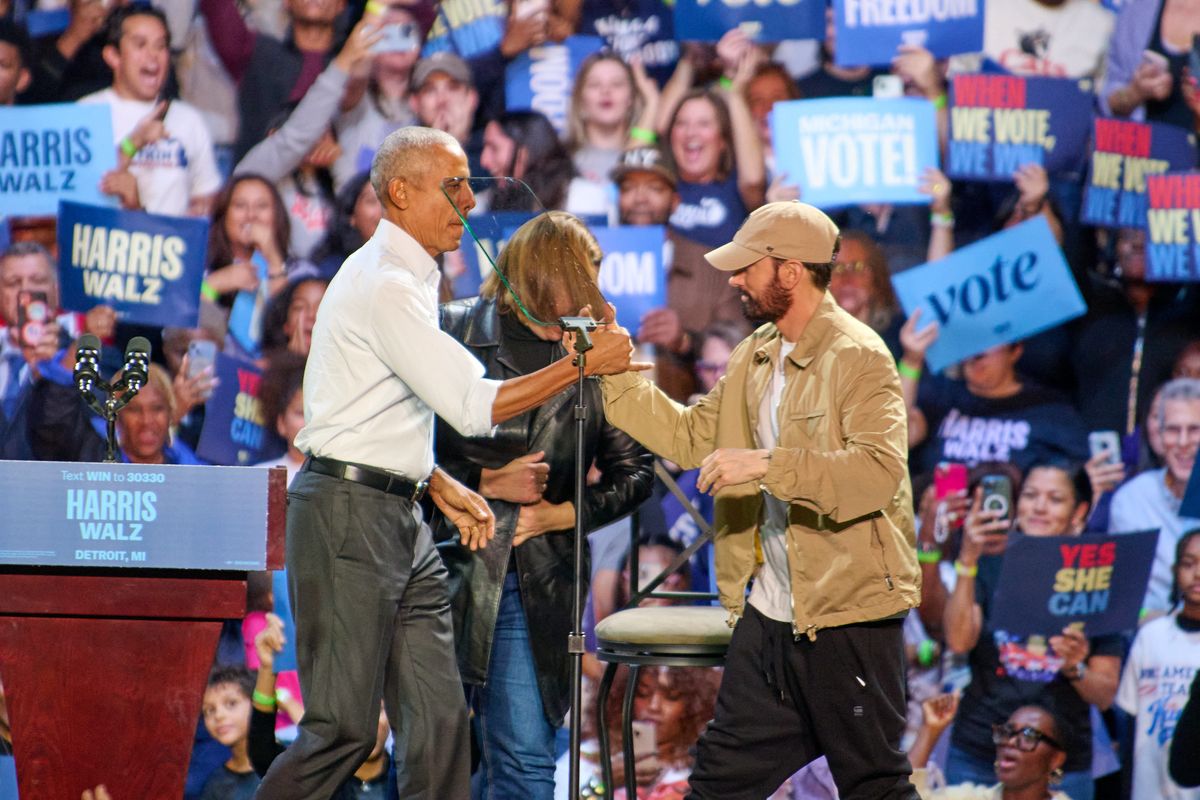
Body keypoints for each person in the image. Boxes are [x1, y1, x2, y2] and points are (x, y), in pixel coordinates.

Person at [252, 126, 640, 797]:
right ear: (400, 193)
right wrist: (580, 364)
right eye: (452, 184)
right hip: (348, 518)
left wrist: (437, 483)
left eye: (467, 183)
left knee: (438, 730)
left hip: (402, 518)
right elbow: (467, 404)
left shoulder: (410, 281)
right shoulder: (384, 284)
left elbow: (369, 411)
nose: (467, 199)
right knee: (342, 731)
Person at [599, 201, 922, 799]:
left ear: (791, 272)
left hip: (847, 617)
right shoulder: (755, 353)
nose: (734, 279)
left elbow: (877, 474)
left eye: (748, 266)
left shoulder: (860, 356)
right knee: (719, 784)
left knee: (874, 785)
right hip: (771, 615)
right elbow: (692, 438)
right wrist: (612, 378)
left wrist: (767, 465)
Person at [434, 211, 654, 799]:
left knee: (526, 761)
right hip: (439, 565)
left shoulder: (593, 353)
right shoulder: (449, 329)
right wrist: (484, 480)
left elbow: (637, 472)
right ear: (541, 272)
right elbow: (399, 449)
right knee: (436, 764)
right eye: (585, 270)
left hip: (533, 581)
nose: (594, 285)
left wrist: (560, 515)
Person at [940, 463, 1121, 800]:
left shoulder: (1100, 576)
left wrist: (1074, 667)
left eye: (1055, 499)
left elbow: (1105, 693)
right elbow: (958, 639)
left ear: (1079, 511)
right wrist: (968, 558)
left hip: (1060, 762)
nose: (1039, 507)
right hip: (981, 750)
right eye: (1030, 495)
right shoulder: (990, 562)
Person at [79, 5, 221, 217]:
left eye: (160, 46)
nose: (153, 56)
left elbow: (206, 200)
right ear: (113, 56)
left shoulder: (189, 120)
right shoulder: (86, 113)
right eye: (140, 45)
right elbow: (84, 194)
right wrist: (133, 142)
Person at [1117, 528, 1200, 800]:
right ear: (1175, 570)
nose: (1197, 573)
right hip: (1148, 788)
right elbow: (1131, 719)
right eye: (1189, 564)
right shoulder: (1151, 636)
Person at [1109, 378, 1200, 614]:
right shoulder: (1132, 501)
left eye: (1194, 430)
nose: (1182, 442)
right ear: (1158, 435)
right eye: (1172, 430)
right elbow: (1122, 600)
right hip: (1152, 635)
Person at [909, 697, 1072, 800]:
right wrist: (929, 731)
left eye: (1028, 735)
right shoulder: (972, 797)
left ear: (1055, 759)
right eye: (1007, 732)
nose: (1010, 742)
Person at [199, 665, 259, 799]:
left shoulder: (285, 764)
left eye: (231, 704)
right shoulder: (216, 784)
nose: (219, 715)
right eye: (209, 710)